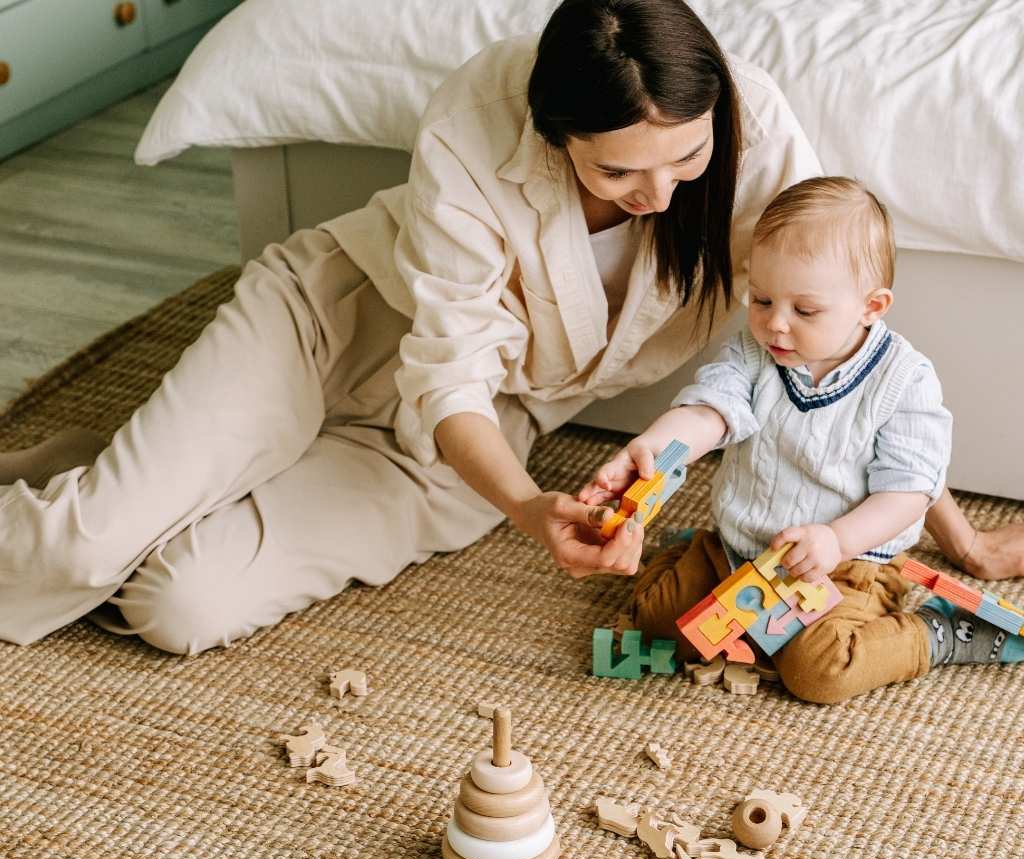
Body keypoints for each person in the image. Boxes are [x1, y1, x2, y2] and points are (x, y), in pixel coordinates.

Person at [0, 1, 1018, 654]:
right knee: (83, 548)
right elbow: (444, 372)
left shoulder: (750, 134)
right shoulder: (475, 120)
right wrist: (530, 507)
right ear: (553, 133)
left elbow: (858, 368)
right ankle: (123, 494)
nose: (660, 194)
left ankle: (119, 471)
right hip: (330, 330)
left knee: (178, 608)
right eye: (618, 171)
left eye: (686, 160)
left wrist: (960, 537)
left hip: (480, 428)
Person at [584, 176, 1024, 703]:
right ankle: (686, 552)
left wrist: (837, 539)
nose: (775, 325)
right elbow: (710, 411)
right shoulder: (752, 353)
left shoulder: (904, 381)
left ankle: (935, 635)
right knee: (657, 623)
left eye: (805, 310)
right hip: (739, 548)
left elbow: (909, 493)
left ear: (872, 306)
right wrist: (654, 446)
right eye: (761, 299)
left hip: (848, 563)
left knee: (820, 672)